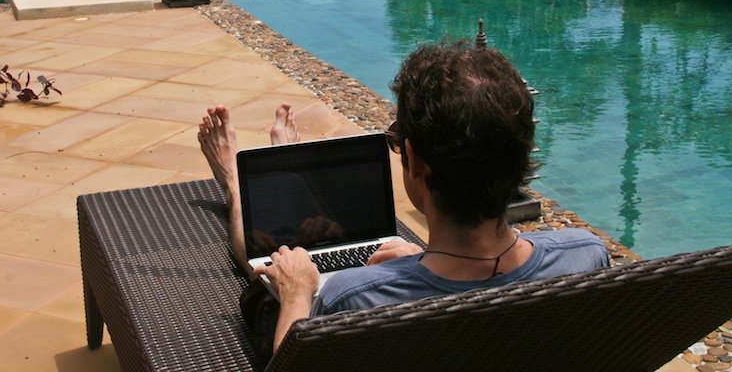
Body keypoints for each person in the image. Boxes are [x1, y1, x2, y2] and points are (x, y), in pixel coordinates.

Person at [198, 40, 609, 353]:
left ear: (415, 160)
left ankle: (239, 185)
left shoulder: (357, 298)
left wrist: (298, 294)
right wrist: (417, 262)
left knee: (269, 282)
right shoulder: (585, 255)